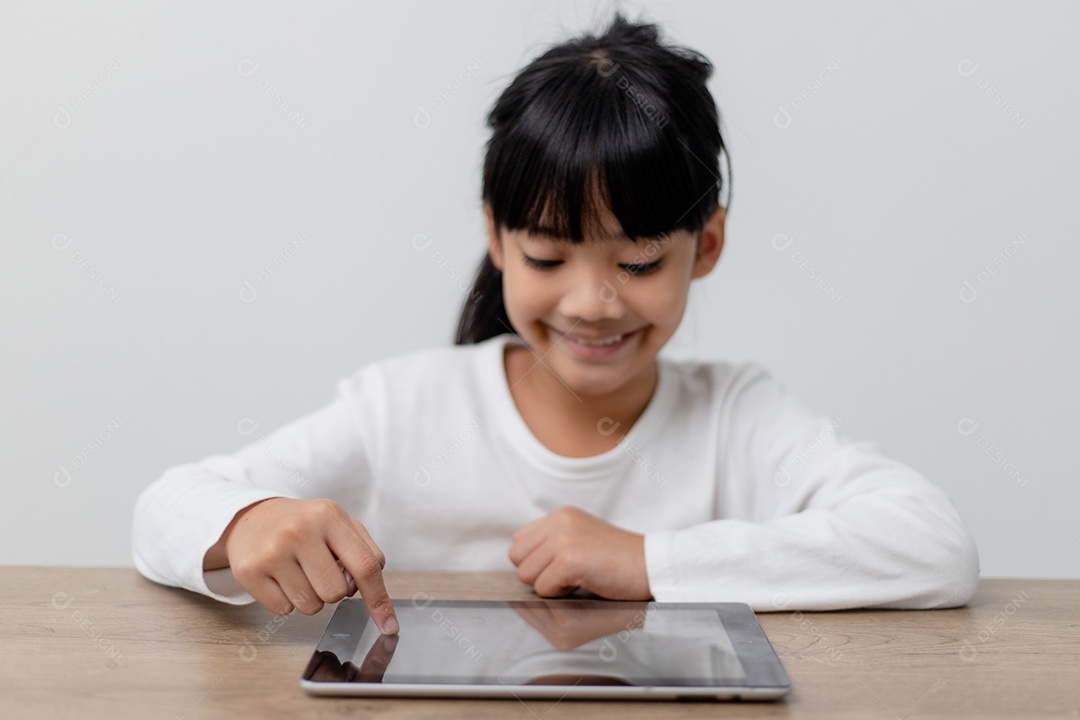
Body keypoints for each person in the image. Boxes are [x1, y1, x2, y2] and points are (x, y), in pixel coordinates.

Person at [132, 12, 979, 636]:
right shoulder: (404, 407)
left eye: (638, 263)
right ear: (496, 237)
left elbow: (933, 544)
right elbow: (163, 507)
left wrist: (647, 561)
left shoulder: (737, 418)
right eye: (547, 258)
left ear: (707, 244)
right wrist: (245, 523)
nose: (591, 302)